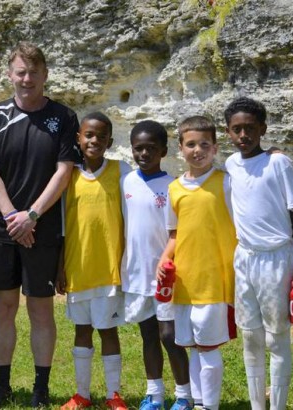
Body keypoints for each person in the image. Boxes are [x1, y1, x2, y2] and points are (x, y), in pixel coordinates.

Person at [0, 41, 81, 407]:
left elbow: (64, 171)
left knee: (40, 310)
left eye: (34, 72)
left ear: (45, 75)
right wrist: (11, 217)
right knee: (3, 308)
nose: (27, 79)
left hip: (42, 230)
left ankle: (41, 390)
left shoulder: (64, 117)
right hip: (4, 230)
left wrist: (32, 215)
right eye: (20, 72)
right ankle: (1, 387)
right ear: (10, 74)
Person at [224, 97, 293, 410]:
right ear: (228, 132)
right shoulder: (231, 165)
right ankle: (256, 405)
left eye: (250, 128)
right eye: (236, 129)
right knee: (250, 335)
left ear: (262, 129)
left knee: (276, 337)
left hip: (276, 258)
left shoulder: (278, 163)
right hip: (245, 257)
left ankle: (278, 405)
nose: (243, 135)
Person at [158, 116, 237, 410]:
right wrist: (164, 260)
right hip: (184, 282)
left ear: (215, 148)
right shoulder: (174, 188)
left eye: (205, 144)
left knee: (208, 346)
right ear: (180, 148)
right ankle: (199, 402)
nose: (197, 150)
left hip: (215, 280)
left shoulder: (226, 183)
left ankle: (211, 405)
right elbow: (175, 233)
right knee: (191, 345)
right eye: (191, 144)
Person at [56, 112, 131, 410]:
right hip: (78, 267)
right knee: (82, 330)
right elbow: (63, 226)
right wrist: (60, 267)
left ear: (110, 142)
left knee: (108, 330)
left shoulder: (121, 170)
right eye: (89, 135)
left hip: (109, 268)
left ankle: (114, 395)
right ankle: (82, 394)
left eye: (101, 136)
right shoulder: (68, 175)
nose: (94, 140)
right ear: (78, 138)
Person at [120, 120, 192, 410]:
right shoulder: (126, 182)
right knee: (148, 335)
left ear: (163, 150)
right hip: (136, 273)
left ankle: (184, 396)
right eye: (138, 148)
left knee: (170, 336)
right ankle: (154, 395)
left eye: (151, 148)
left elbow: (178, 233)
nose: (144, 154)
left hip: (165, 275)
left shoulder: (173, 186)